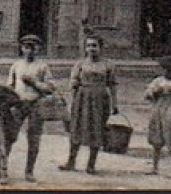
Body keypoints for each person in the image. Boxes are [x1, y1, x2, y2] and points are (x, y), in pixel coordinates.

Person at [61, 34, 117, 174]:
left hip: (100, 99)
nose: (91, 49)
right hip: (82, 98)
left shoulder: (108, 64)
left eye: (94, 45)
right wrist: (71, 103)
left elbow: (112, 85)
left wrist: (114, 104)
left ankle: (91, 164)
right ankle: (71, 161)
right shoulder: (80, 64)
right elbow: (73, 84)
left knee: (97, 129)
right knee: (76, 128)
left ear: (100, 48)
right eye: (88, 45)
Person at [7, 32, 56, 182]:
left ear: (38, 49)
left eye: (33, 47)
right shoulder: (16, 65)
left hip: (36, 104)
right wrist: (9, 101)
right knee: (9, 135)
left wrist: (35, 83)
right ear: (21, 48)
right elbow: (10, 85)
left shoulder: (42, 66)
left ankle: (29, 171)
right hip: (19, 103)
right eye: (26, 47)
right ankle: (0, 167)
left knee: (34, 138)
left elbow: (50, 87)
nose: (30, 50)